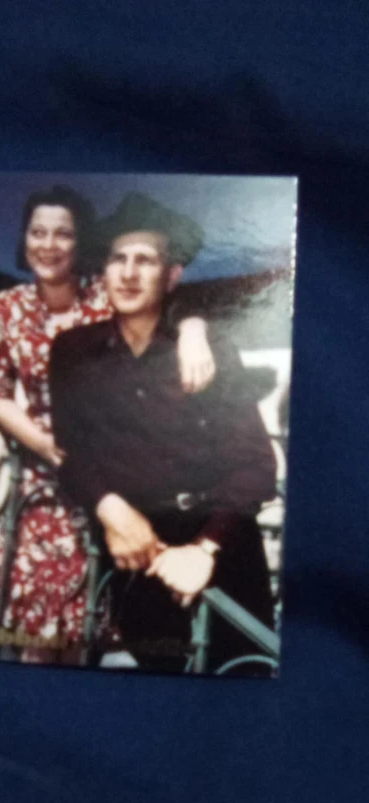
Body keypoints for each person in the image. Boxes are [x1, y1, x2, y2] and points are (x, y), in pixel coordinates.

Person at [0, 185, 216, 663]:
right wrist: (46, 445)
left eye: (63, 234)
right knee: (38, 638)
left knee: (91, 631)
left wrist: (194, 330)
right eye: (38, 232)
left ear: (80, 241)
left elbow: (170, 302)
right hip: (45, 479)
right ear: (24, 238)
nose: (48, 245)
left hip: (112, 476)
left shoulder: (106, 295)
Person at [49, 193, 277, 671]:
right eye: (119, 259)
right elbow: (72, 451)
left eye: (146, 260)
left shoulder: (210, 351)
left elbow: (257, 462)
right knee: (162, 674)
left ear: (172, 276)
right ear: (103, 270)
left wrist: (205, 549)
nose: (129, 273)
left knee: (244, 675)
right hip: (136, 552)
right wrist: (111, 510)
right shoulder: (73, 351)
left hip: (222, 542)